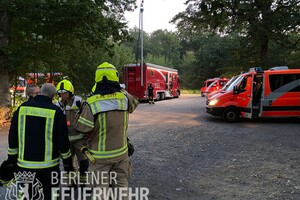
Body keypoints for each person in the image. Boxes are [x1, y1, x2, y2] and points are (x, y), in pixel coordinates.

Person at [74, 62, 139, 199]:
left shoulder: (92, 103)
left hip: (100, 157)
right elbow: (135, 104)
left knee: (100, 191)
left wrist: (79, 112)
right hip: (121, 154)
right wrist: (122, 90)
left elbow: (82, 127)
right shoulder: (125, 98)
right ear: (115, 78)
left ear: (97, 79)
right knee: (121, 188)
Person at [6, 83, 73, 200]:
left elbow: (12, 136)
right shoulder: (56, 112)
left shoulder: (22, 109)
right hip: (49, 168)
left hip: (24, 166)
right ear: (53, 96)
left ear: (40, 92)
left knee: (27, 195)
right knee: (50, 195)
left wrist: (11, 160)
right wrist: (67, 164)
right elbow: (63, 141)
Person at [56, 79, 89, 185]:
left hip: (80, 139)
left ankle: (83, 182)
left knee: (84, 162)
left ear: (70, 92)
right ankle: (71, 182)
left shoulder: (79, 102)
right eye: (60, 93)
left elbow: (87, 117)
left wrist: (86, 134)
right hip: (66, 140)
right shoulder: (57, 105)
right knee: (68, 164)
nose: (62, 95)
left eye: (64, 93)